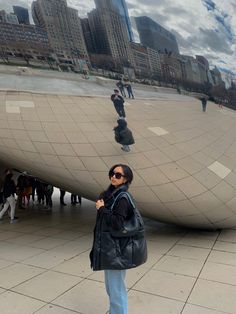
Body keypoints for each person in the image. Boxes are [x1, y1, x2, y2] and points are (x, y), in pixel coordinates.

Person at [90, 164, 147, 314]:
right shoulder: (112, 195)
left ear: (126, 179)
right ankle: (114, 310)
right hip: (111, 249)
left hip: (117, 250)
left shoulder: (122, 198)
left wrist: (102, 209)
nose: (113, 177)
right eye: (112, 173)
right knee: (111, 286)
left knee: (116, 287)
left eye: (118, 175)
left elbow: (117, 223)